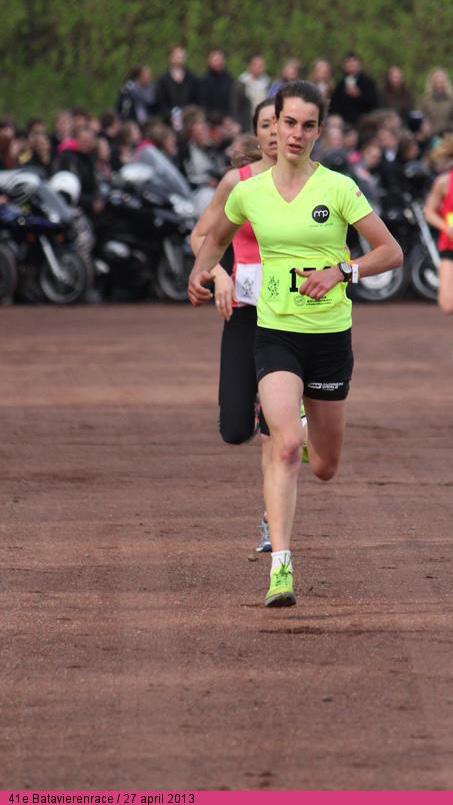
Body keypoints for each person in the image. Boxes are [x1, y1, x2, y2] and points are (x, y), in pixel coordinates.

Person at [189, 80, 402, 607]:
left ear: (319, 131)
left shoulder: (339, 188)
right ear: (273, 125)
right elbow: (213, 235)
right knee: (281, 445)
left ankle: (309, 431)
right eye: (288, 122)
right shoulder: (248, 190)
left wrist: (342, 270)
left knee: (325, 466)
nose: (296, 134)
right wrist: (203, 272)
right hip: (275, 332)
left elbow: (390, 251)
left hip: (329, 337)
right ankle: (280, 567)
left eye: (308, 125)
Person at [189, 99, 279, 553]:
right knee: (234, 429)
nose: (276, 133)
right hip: (243, 311)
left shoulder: (313, 184)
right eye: (266, 125)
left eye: (281, 124)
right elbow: (202, 236)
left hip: (291, 318)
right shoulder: (237, 182)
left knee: (274, 432)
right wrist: (218, 272)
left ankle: (271, 524)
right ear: (258, 133)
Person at [424, 134, 453, 314]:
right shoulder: (444, 182)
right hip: (449, 244)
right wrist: (445, 227)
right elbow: (428, 212)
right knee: (446, 304)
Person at [329, 52, 379, 126]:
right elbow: (334, 106)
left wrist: (358, 95)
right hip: (343, 119)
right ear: (344, 66)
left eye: (354, 63)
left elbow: (373, 103)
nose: (351, 65)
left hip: (363, 117)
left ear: (359, 65)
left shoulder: (367, 82)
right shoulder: (340, 84)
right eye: (348, 63)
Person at [420, 68, 453, 137]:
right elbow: (422, 118)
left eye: (441, 82)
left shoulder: (451, 100)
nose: (439, 85)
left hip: (449, 135)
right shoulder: (426, 100)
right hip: (431, 136)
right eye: (437, 82)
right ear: (432, 83)